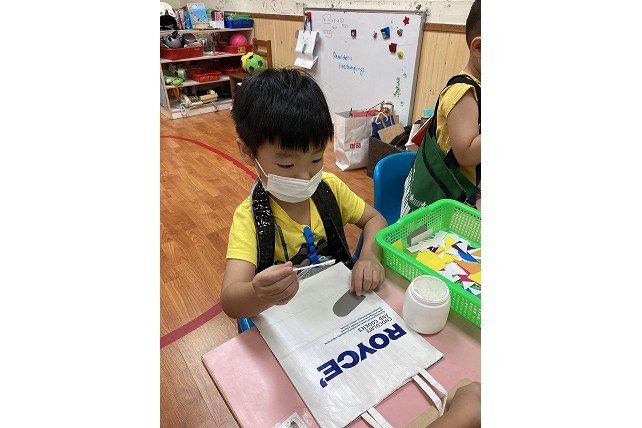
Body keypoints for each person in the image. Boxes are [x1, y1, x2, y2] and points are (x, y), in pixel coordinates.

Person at [221, 68, 387, 319]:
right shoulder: (250, 219)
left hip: (338, 309)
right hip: (288, 321)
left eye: (316, 160)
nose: (305, 177)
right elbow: (230, 301)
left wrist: (370, 256)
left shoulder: (329, 188)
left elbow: (375, 219)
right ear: (247, 152)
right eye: (287, 165)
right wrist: (258, 293)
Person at [400, 0, 481, 216]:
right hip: (449, 200)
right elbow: (466, 154)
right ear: (479, 48)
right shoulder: (463, 93)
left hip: (466, 194)